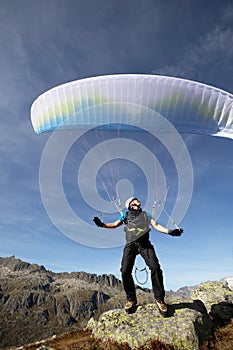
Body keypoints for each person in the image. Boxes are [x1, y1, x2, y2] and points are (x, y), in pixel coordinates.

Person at [93, 197, 183, 315]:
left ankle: (159, 299)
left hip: (145, 245)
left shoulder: (146, 214)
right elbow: (115, 224)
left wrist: (170, 232)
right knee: (125, 270)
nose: (138, 199)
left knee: (155, 267)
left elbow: (156, 225)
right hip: (130, 244)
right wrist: (102, 224)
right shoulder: (125, 215)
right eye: (134, 199)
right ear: (130, 204)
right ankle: (131, 299)